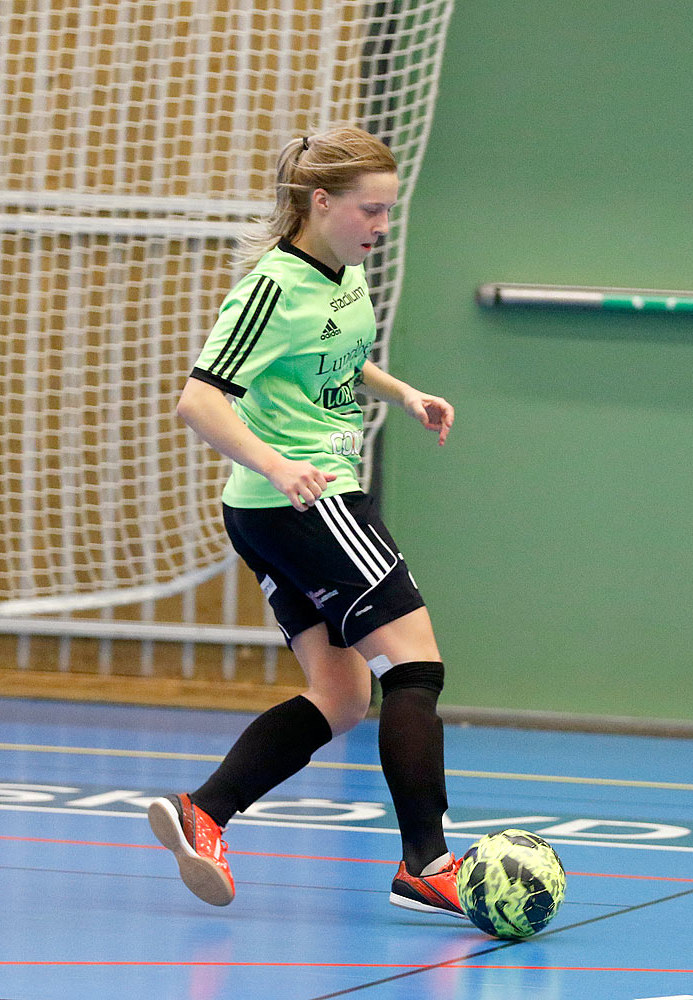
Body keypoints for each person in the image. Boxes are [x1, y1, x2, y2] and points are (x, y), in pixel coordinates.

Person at [147, 125, 462, 918]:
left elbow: (338, 355)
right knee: (415, 666)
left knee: (343, 694)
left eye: (388, 212)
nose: (380, 228)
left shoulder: (344, 272)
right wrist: (276, 463)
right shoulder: (271, 287)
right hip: (302, 501)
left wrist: (402, 393)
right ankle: (427, 862)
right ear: (319, 203)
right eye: (370, 211)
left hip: (284, 509)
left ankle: (205, 811)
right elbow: (198, 399)